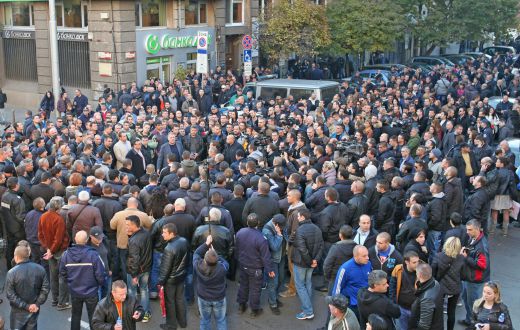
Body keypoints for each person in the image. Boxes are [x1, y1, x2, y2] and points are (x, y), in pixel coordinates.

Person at [60, 231, 106, 330]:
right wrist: (100, 284)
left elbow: (62, 273)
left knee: (75, 315)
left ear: (75, 240)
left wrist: (70, 284)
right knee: (94, 317)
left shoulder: (66, 255)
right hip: (91, 291)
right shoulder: (93, 254)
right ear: (86, 240)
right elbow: (100, 273)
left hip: (75, 291)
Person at [236, 213, 273, 317]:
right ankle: (254, 310)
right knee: (255, 289)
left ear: (247, 222)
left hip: (243, 265)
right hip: (256, 268)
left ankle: (241, 306)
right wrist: (270, 270)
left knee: (243, 286)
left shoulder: (240, 232)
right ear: (258, 223)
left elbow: (237, 248)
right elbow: (266, 256)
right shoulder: (261, 238)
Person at [5, 245, 49, 330]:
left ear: (16, 257)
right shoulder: (40, 269)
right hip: (34, 309)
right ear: (28, 255)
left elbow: (10, 295)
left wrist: (26, 306)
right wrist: (36, 304)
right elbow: (45, 289)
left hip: (18, 312)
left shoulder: (11, 273)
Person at [38, 196, 71, 310]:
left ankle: (54, 299)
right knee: (62, 276)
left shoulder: (43, 216)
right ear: (59, 206)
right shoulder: (59, 219)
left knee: (53, 276)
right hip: (59, 251)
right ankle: (62, 302)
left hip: (49, 251)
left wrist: (47, 249)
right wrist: (51, 250)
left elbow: (40, 235)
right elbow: (58, 238)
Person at [292, 208, 324, 320]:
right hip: (312, 263)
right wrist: (315, 260)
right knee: (308, 283)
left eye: (298, 216)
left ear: (303, 217)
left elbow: (302, 249)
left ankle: (308, 311)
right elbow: (321, 246)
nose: (297, 217)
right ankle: (307, 307)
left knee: (300, 286)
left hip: (302, 263)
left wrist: (311, 261)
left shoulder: (300, 230)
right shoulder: (317, 228)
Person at [158, 223, 190, 330]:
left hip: (171, 280)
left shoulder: (169, 248)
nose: (162, 235)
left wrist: (161, 282)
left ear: (172, 234)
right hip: (181, 276)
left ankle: (171, 325)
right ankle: (183, 322)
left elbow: (165, 269)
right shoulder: (184, 241)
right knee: (180, 299)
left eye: (164, 233)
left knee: (170, 302)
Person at [193, 235, 229, 330]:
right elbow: (226, 263)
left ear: (204, 259)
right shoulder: (222, 269)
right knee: (221, 320)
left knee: (205, 320)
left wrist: (206, 244)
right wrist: (216, 255)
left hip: (203, 297)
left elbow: (196, 254)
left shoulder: (198, 266)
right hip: (219, 297)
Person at [459, 219, 490, 327]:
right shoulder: (474, 238)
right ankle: (469, 320)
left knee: (474, 304)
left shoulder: (481, 246)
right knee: (466, 299)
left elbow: (482, 265)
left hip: (475, 280)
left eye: (470, 230)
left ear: (477, 229)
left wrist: (466, 257)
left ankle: (475, 324)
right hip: (469, 277)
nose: (467, 232)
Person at [432, 237, 465, 330]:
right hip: (455, 289)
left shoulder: (438, 256)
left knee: (438, 312)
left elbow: (433, 272)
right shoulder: (461, 258)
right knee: (451, 312)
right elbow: (463, 275)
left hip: (440, 289)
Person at [125, 215, 153, 323]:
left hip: (136, 270)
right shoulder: (146, 232)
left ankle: (133, 312)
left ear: (134, 225)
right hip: (146, 268)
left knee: (132, 291)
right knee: (144, 290)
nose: (126, 227)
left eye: (128, 225)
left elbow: (134, 260)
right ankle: (145, 314)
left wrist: (133, 275)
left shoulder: (134, 240)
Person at [333, 245, 372, 320]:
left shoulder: (368, 264)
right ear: (355, 256)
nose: (367, 258)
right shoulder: (345, 268)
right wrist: (336, 307)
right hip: (353, 306)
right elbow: (337, 288)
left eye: (367, 255)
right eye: (364, 256)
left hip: (366, 302)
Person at [262, 214, 287, 315]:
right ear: (276, 224)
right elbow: (275, 247)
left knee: (281, 279)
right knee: (273, 283)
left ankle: (274, 298)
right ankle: (273, 304)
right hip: (273, 260)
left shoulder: (279, 224)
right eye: (281, 227)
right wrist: (278, 234)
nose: (283, 229)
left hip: (281, 257)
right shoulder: (267, 230)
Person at [389, 251, 420, 330]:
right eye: (414, 262)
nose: (417, 264)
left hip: (416, 309)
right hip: (402, 308)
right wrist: (394, 304)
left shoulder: (421, 271)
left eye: (418, 261)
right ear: (407, 262)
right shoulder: (398, 269)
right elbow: (392, 288)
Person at [1, 177, 26, 270]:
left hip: (7, 227)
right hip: (17, 229)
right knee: (19, 249)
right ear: (16, 186)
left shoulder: (5, 195)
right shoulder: (18, 200)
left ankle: (9, 267)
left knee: (10, 248)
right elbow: (21, 217)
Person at [409, 263, 443, 330]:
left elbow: (424, 326)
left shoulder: (426, 299)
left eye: (416, 272)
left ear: (419, 275)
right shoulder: (435, 283)